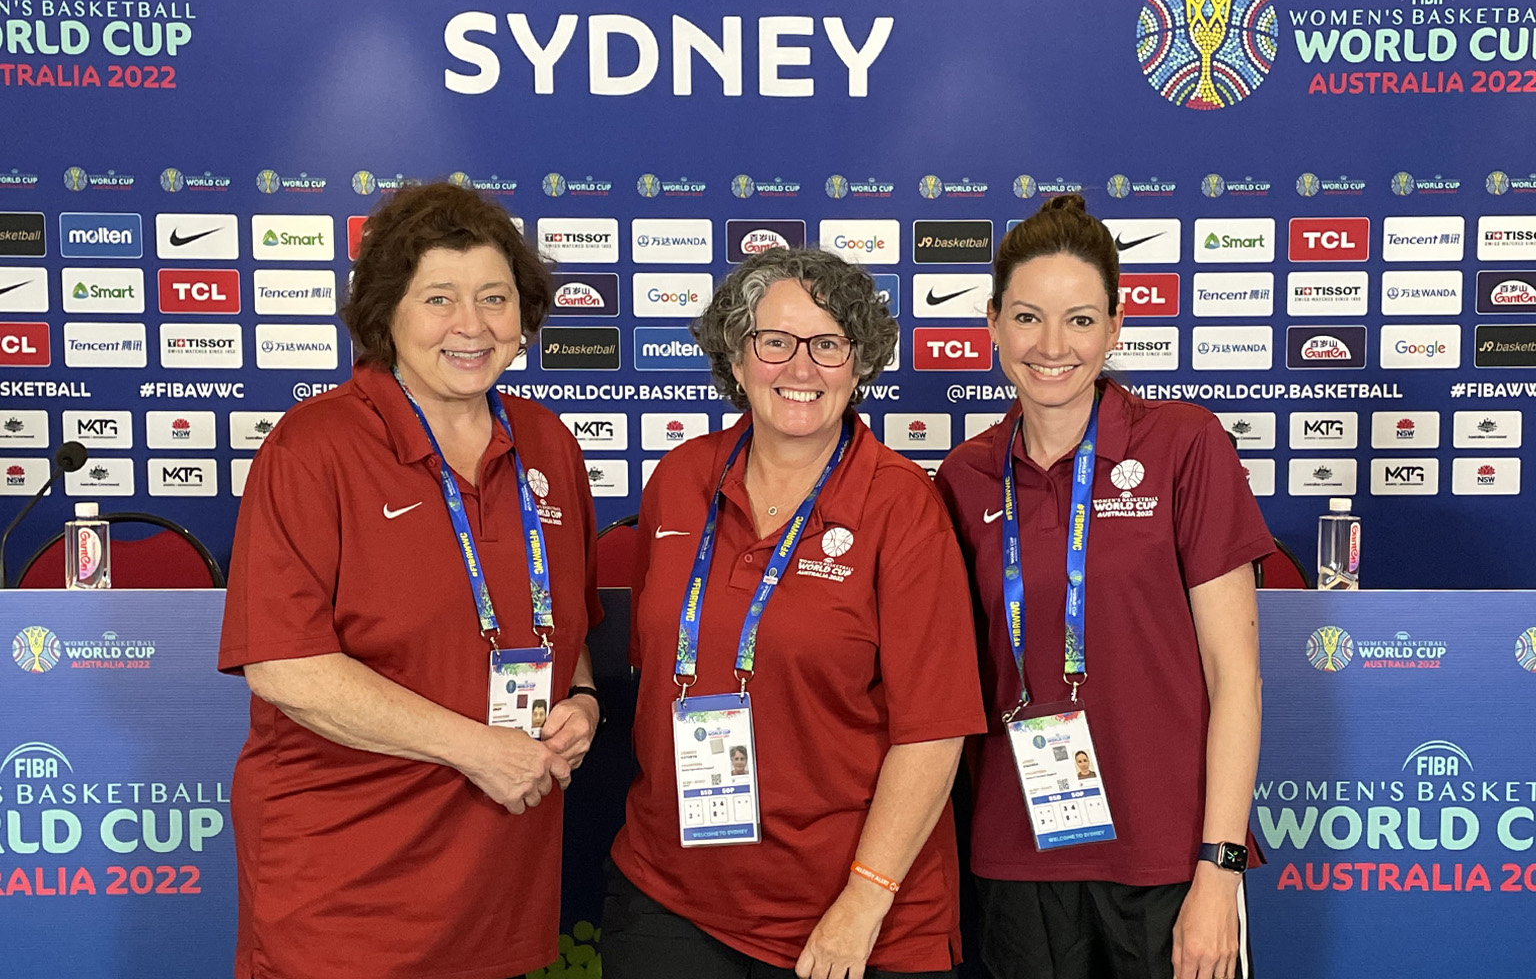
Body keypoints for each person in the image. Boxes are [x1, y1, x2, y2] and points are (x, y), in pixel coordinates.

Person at [218, 182, 603, 979]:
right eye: (440, 299)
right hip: (346, 895)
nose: (472, 325)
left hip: (498, 883)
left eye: (495, 298)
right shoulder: (312, 447)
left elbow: (566, 630)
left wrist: (584, 703)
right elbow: (287, 667)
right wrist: (478, 749)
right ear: (386, 313)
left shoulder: (548, 447)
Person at [604, 247, 987, 979]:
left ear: (859, 362)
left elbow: (935, 731)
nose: (801, 368)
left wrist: (863, 903)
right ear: (738, 359)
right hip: (670, 895)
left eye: (828, 344)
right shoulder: (681, 480)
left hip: (850, 916)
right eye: (774, 342)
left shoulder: (902, 506)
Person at [935, 195, 1271, 979]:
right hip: (1018, 859)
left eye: (1081, 320)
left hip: (1168, 861)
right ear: (991, 325)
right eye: (1027, 317)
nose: (1052, 346)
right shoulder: (964, 476)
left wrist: (1218, 869)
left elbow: (1236, 678)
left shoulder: (1185, 446)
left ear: (1115, 328)